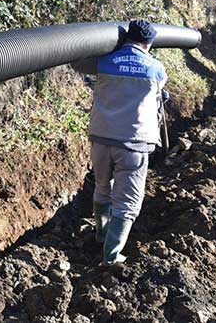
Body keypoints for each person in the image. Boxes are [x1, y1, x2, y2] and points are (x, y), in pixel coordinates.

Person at [71, 20, 167, 265]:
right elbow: (158, 93)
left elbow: (75, 61)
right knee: (127, 202)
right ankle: (111, 256)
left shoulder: (103, 62)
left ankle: (101, 234)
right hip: (133, 143)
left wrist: (107, 48)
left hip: (102, 138)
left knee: (103, 186)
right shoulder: (156, 68)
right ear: (149, 44)